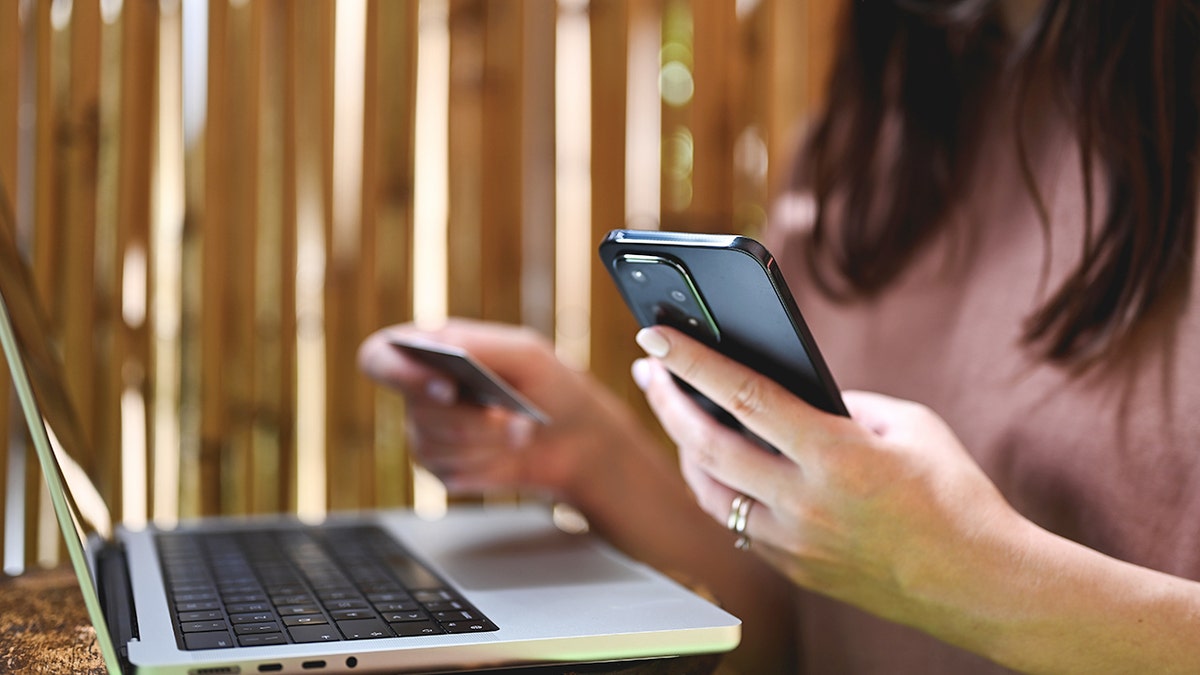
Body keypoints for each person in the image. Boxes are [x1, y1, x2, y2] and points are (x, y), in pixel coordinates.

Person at [359, 1, 1200, 672]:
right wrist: (587, 455)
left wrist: (966, 575)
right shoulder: (867, 144)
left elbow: (916, 580)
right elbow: (805, 634)